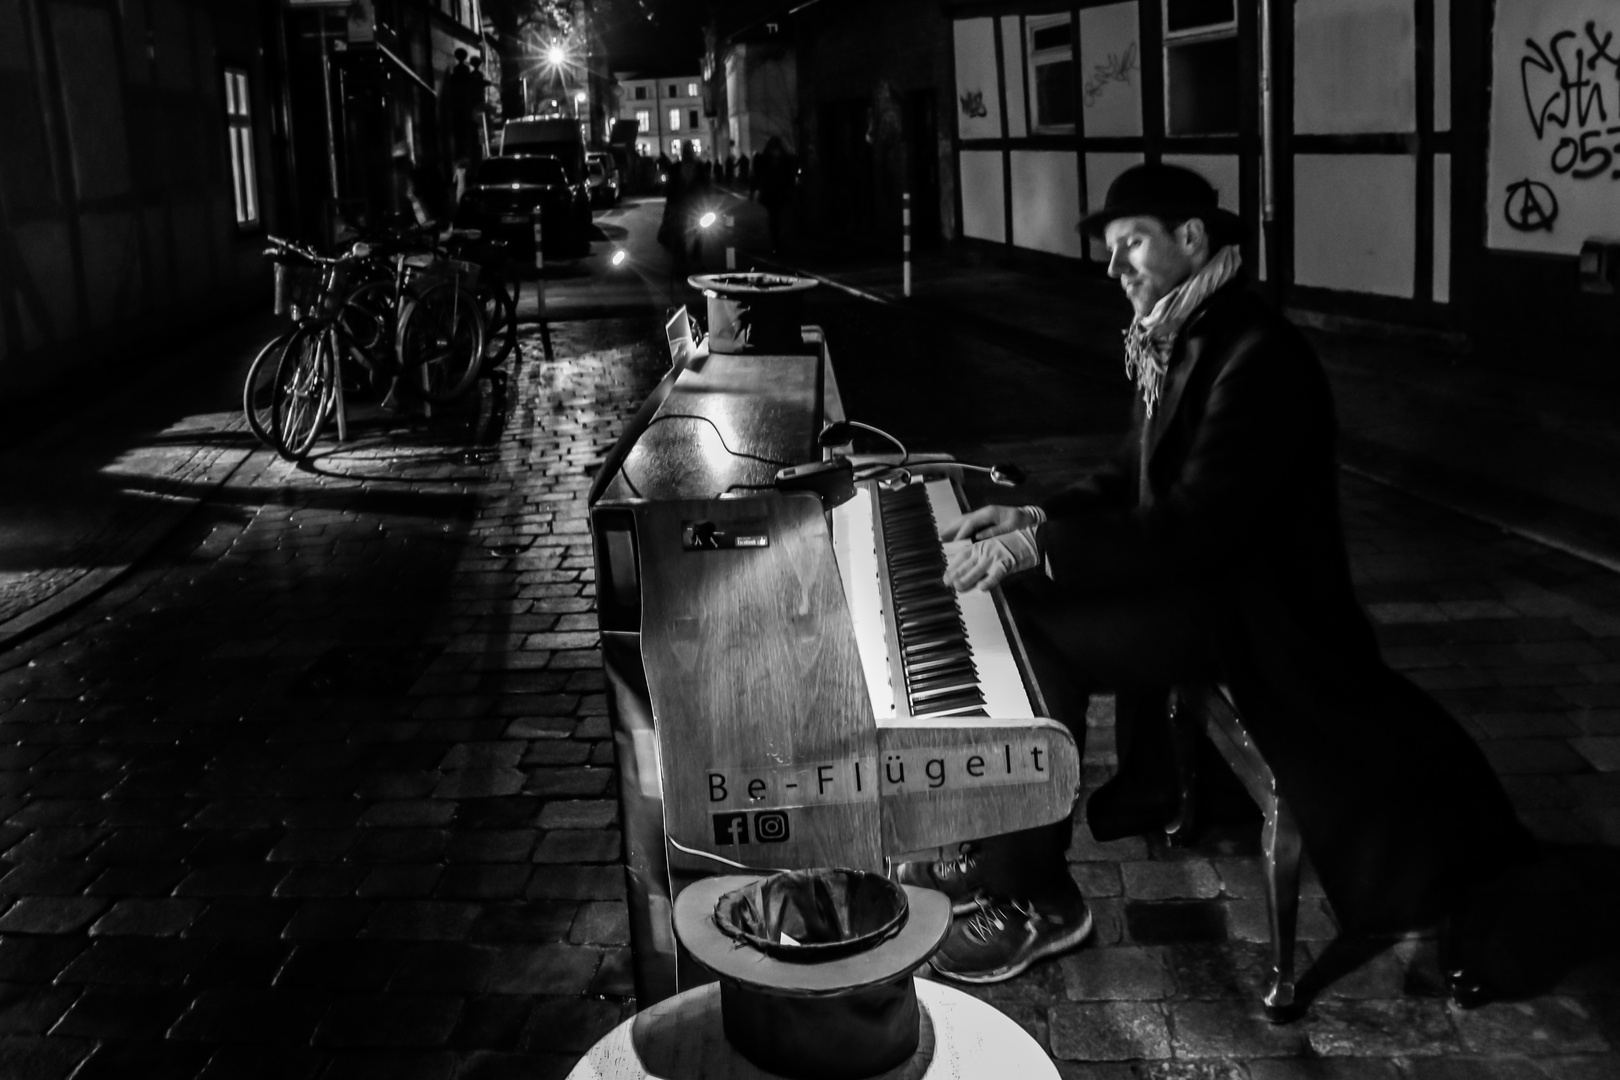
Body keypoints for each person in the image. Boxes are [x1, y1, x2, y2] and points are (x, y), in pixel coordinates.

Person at [908, 163, 1538, 1000]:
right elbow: (1132, 472)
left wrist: (1044, 552)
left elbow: (1197, 525)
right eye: (1111, 248)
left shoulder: (1256, 354)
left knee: (1038, 631)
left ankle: (1036, 893)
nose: (1113, 267)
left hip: (1259, 615)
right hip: (1205, 587)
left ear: (1193, 240)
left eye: (1131, 243)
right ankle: (1002, 850)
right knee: (1023, 598)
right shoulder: (1184, 329)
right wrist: (1032, 519)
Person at [751, 136, 794, 253]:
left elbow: (758, 175)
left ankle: (778, 241)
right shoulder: (770, 159)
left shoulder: (781, 159)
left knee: (777, 217)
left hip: (778, 191)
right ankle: (776, 242)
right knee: (775, 217)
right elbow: (758, 175)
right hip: (773, 192)